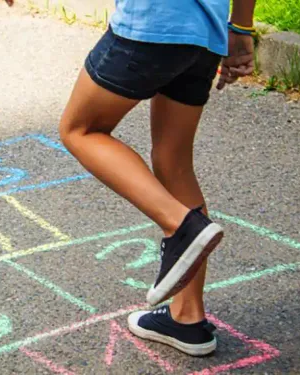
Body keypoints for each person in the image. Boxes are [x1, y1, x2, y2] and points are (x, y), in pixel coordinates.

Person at [58, 0, 256, 356]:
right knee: (173, 160)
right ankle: (186, 318)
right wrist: (241, 28)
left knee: (80, 130)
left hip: (154, 21)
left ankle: (181, 226)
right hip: (205, 33)